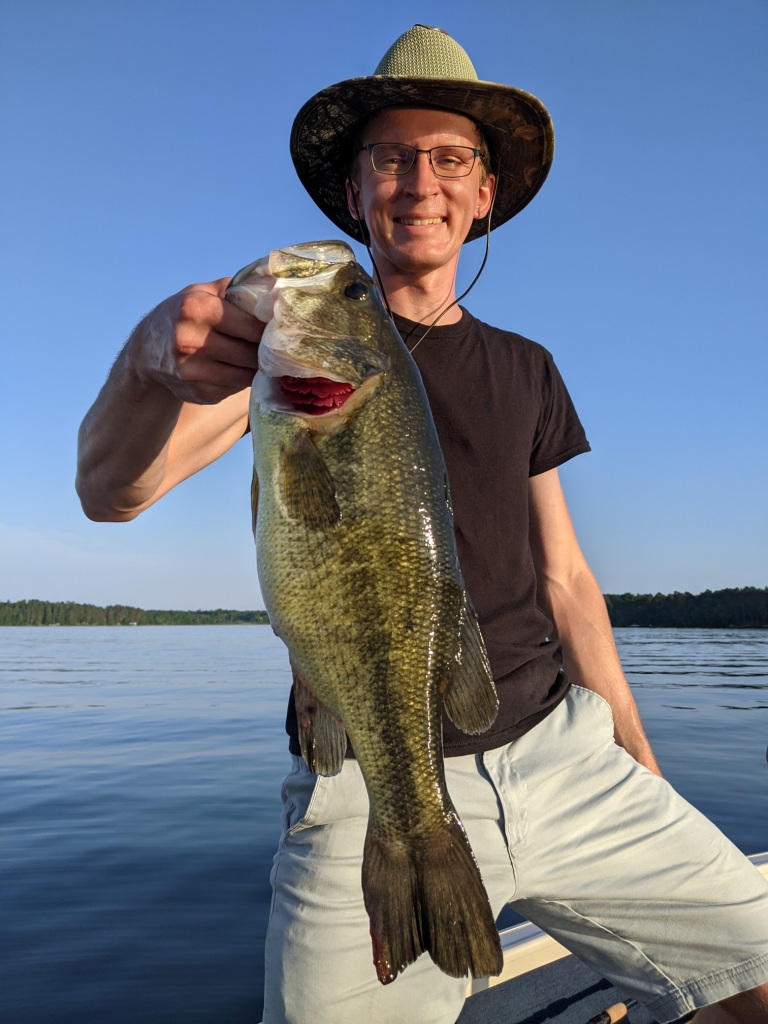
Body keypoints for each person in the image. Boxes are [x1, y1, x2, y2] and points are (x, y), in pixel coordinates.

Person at [77, 24, 768, 1024]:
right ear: (356, 191)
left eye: (449, 158)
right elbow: (114, 491)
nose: (419, 179)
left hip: (560, 751)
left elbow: (567, 579)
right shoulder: (291, 368)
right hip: (368, 773)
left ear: (484, 194)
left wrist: (638, 758)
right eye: (391, 157)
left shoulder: (526, 368)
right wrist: (150, 355)